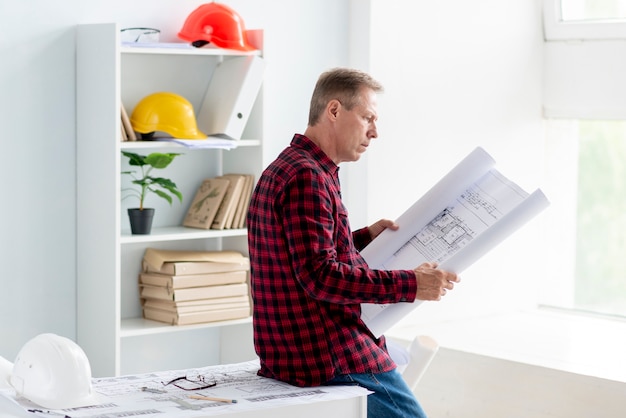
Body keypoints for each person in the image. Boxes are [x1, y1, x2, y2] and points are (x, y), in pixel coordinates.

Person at [246, 67, 460, 418]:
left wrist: (361, 238)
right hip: (326, 355)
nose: (374, 132)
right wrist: (412, 284)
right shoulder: (308, 178)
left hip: (291, 353)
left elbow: (299, 253)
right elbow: (320, 275)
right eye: (367, 118)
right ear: (333, 111)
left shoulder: (288, 168)